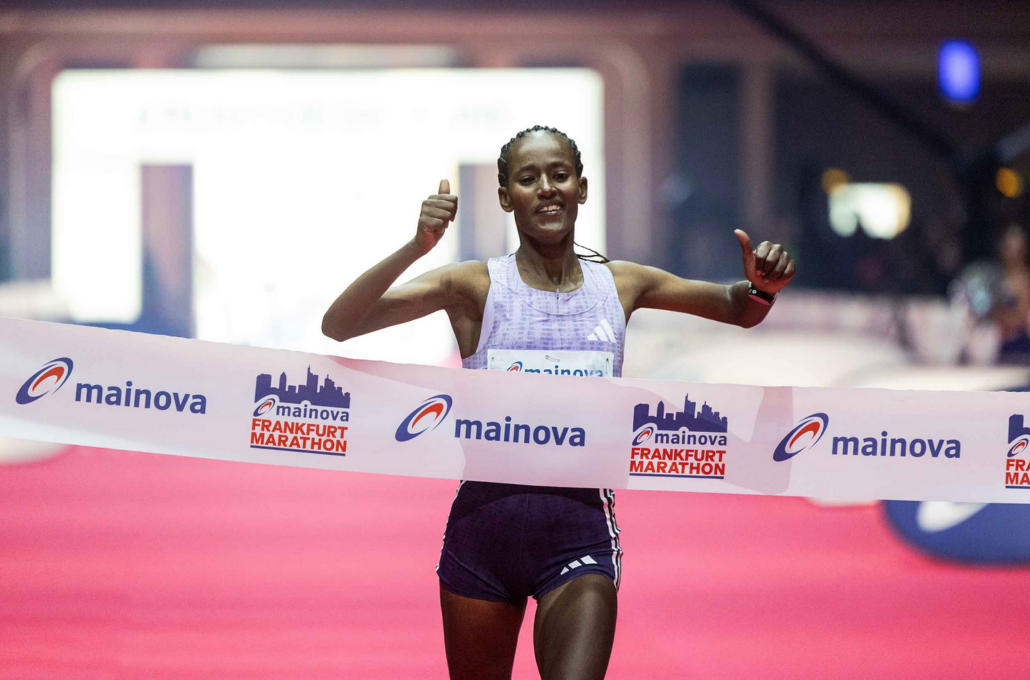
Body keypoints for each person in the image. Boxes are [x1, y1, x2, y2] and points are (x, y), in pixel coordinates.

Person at [322, 125, 796, 680]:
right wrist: (416, 247)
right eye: (528, 178)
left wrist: (762, 286)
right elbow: (341, 325)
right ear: (507, 198)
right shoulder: (475, 286)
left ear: (582, 188)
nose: (546, 188)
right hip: (482, 535)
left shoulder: (621, 284)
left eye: (559, 175)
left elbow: (735, 306)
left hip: (579, 537)